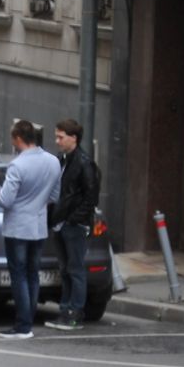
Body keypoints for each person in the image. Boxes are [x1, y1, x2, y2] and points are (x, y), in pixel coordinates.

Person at [0, 120, 63, 339]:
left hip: (17, 227)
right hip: (38, 225)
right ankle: (29, 320)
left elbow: (5, 200)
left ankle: (23, 325)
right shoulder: (53, 161)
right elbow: (54, 196)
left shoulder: (17, 165)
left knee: (19, 275)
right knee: (33, 274)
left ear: (18, 139)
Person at [49, 117, 100, 331]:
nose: (57, 141)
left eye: (61, 137)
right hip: (62, 222)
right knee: (66, 268)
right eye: (56, 137)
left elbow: (91, 196)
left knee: (75, 269)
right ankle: (65, 310)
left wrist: (73, 220)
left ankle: (75, 313)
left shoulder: (84, 162)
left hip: (73, 224)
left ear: (73, 138)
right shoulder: (64, 160)